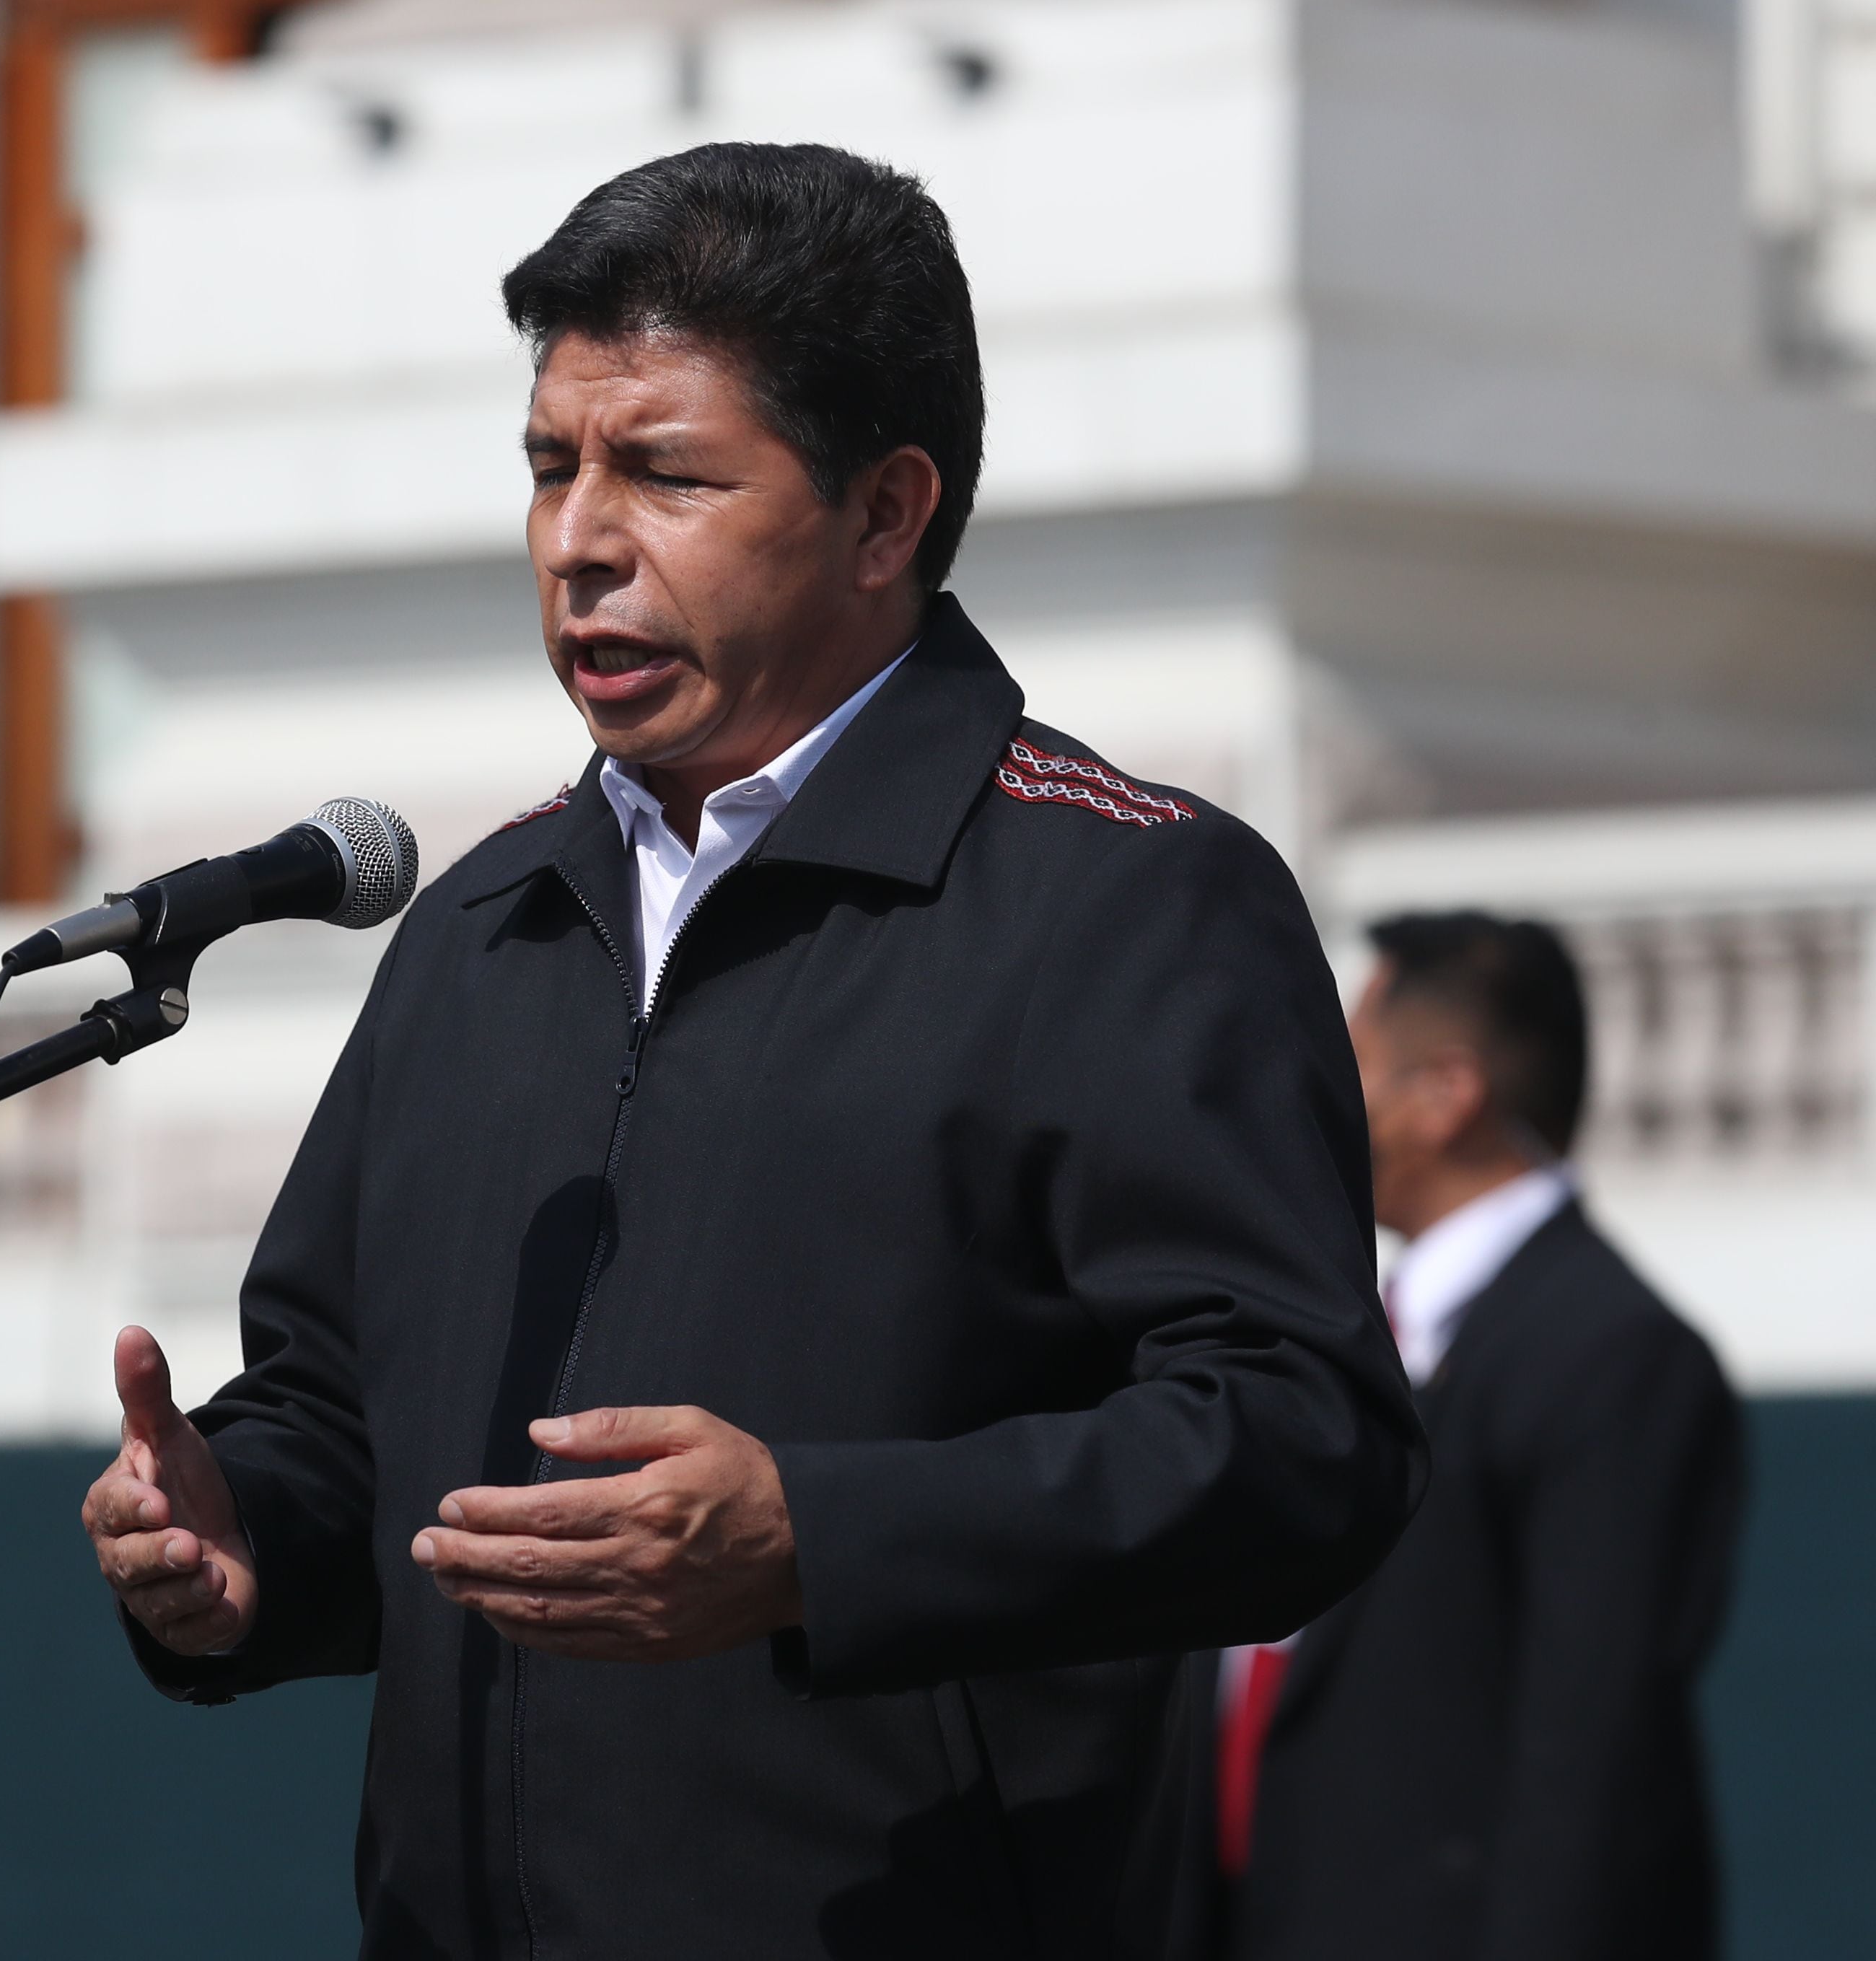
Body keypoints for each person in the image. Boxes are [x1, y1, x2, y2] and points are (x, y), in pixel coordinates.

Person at [77, 140, 1425, 1955]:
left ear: (884, 513)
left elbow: (1301, 1438)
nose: (578, 539)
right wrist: (241, 1539)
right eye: (551, 466)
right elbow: (335, 1404)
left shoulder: (1121, 898)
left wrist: (819, 1534)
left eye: (664, 471)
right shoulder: (481, 932)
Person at [1163, 913, 1746, 1961]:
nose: (1315, 1099)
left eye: (1354, 1063)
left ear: (1448, 1095)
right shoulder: (1354, 1338)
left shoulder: (1614, 1356)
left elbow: (1591, 1754)